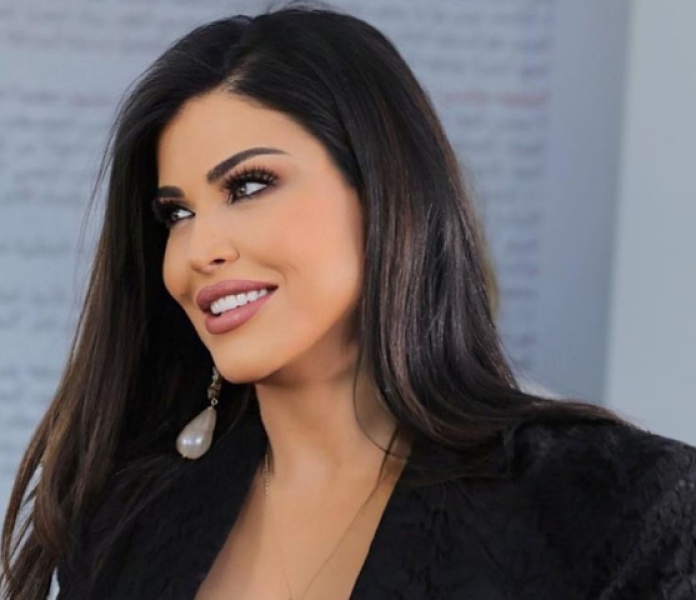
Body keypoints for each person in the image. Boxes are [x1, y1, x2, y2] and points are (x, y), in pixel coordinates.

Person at [2, 2, 695, 599]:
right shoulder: (128, 520)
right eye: (175, 214)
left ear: (384, 190)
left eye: (248, 186)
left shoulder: (612, 504)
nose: (197, 250)